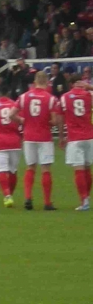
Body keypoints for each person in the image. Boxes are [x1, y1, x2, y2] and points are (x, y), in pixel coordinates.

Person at [15, 70, 58, 211]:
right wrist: (47, 122)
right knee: (45, 168)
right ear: (47, 82)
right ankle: (47, 202)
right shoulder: (51, 99)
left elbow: (11, 114)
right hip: (44, 137)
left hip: (29, 136)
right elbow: (55, 121)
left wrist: (22, 120)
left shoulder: (24, 97)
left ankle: (28, 198)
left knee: (30, 167)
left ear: (34, 82)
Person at [57, 74, 93, 211]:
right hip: (89, 136)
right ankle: (86, 198)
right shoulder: (89, 95)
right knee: (87, 168)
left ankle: (84, 200)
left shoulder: (65, 97)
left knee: (79, 169)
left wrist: (61, 136)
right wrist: (90, 87)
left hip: (75, 138)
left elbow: (60, 119)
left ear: (70, 84)